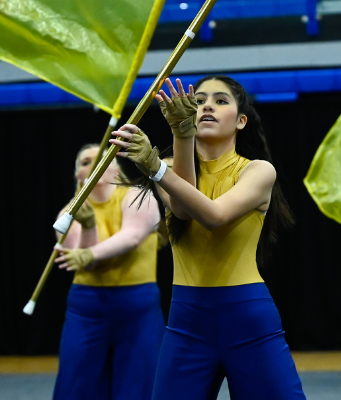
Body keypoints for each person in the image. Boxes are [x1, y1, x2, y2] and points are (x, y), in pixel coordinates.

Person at [110, 75, 305, 400]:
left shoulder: (258, 171)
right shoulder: (168, 168)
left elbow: (213, 217)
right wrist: (180, 135)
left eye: (221, 100)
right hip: (186, 321)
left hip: (246, 317)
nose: (207, 106)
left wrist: (156, 167)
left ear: (241, 120)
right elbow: (185, 213)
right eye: (199, 101)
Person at [51, 143, 164, 400]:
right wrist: (88, 227)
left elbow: (132, 237)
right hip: (86, 306)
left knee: (138, 382)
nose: (92, 165)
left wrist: (89, 253)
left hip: (137, 305)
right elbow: (84, 264)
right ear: (77, 175)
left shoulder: (139, 196)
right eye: (84, 162)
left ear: (115, 169)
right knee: (77, 381)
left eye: (100, 159)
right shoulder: (67, 214)